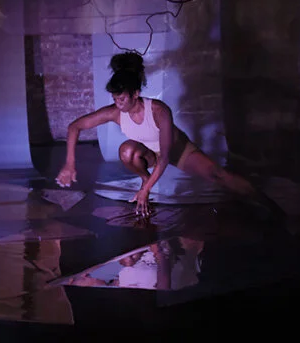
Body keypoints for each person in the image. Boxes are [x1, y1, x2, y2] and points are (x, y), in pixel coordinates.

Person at [55, 52, 281, 219]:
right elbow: (75, 127)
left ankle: (268, 204)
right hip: (149, 153)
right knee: (126, 151)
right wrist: (69, 164)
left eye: (122, 99)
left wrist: (145, 192)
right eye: (115, 99)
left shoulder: (158, 110)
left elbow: (165, 157)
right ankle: (146, 179)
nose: (118, 104)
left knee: (218, 175)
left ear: (136, 93)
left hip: (176, 150)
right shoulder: (115, 112)